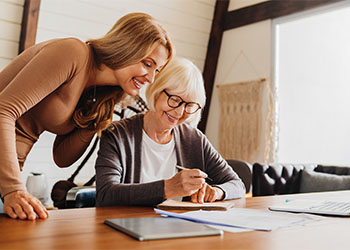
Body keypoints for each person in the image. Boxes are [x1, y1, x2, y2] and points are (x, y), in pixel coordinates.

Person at [0, 12, 174, 220]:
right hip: (8, 182)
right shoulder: (73, 53)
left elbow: (62, 158)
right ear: (126, 47)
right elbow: (4, 110)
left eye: (158, 70)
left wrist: (96, 121)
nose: (151, 78)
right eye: (147, 64)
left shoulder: (103, 95)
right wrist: (13, 189)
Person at [95, 57, 246, 207]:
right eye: (174, 100)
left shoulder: (194, 139)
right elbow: (106, 194)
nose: (180, 112)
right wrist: (167, 188)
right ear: (157, 91)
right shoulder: (117, 135)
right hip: (127, 226)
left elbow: (237, 185)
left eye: (189, 105)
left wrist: (216, 192)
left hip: (180, 227)